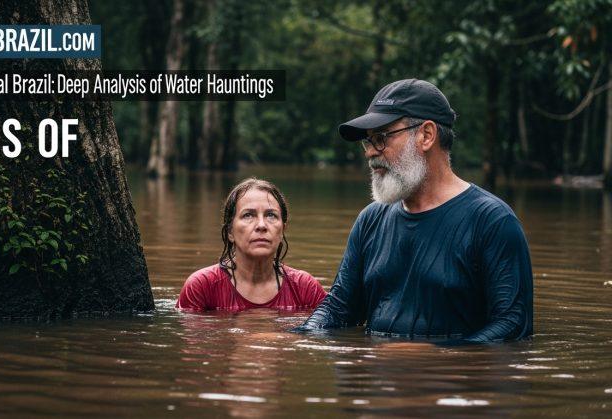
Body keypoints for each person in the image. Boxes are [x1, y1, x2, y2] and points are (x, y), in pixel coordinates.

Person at [293, 79, 533, 344]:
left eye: (381, 138)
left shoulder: (492, 221)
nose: (370, 152)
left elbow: (512, 326)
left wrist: (435, 354)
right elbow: (339, 308)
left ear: (426, 135)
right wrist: (297, 337)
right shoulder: (370, 220)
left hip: (452, 382)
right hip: (377, 377)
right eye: (368, 141)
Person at [177, 178, 327, 311]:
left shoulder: (306, 289)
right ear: (230, 232)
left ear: (282, 231)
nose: (261, 225)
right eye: (248, 215)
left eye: (271, 215)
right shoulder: (202, 286)